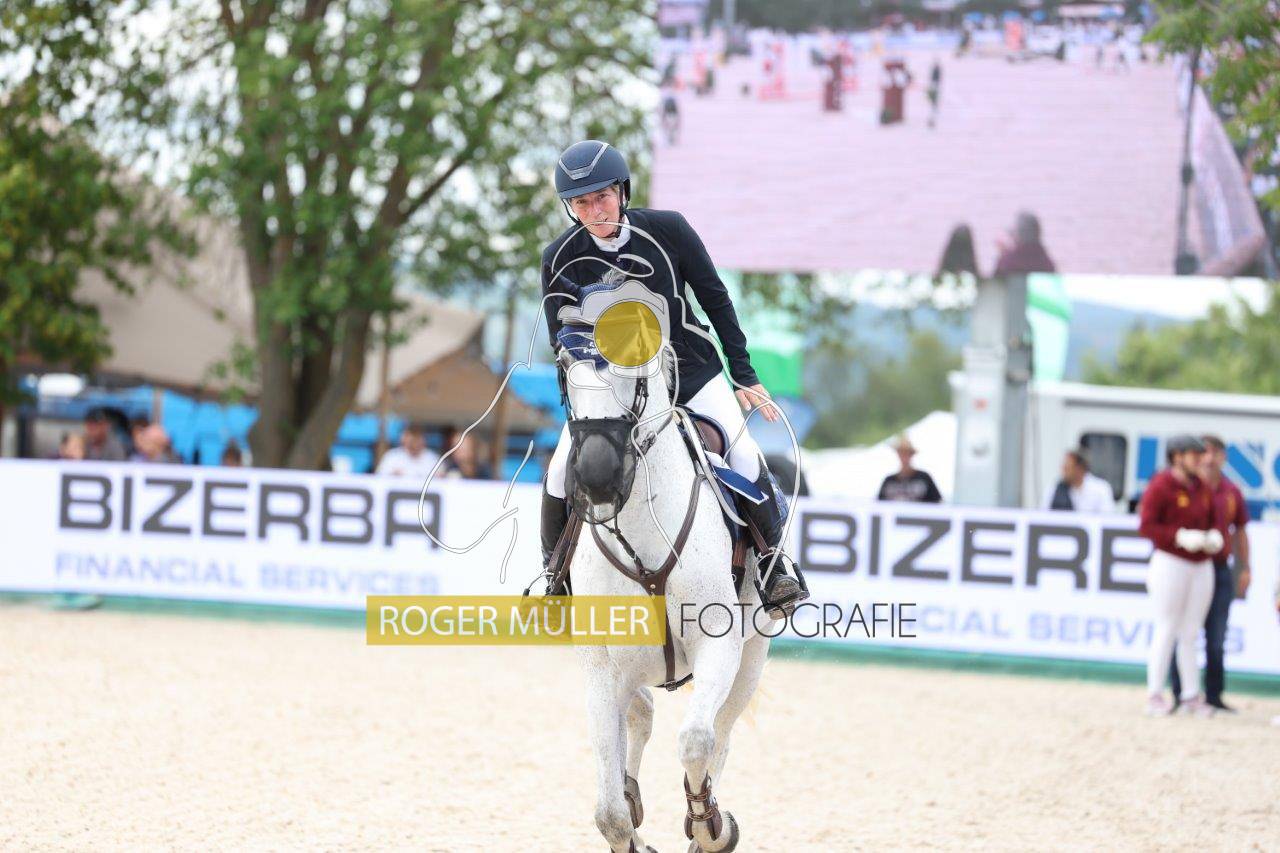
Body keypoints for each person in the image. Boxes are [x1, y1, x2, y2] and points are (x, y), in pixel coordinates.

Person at [539, 139, 808, 616]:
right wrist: (588, 394)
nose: (595, 211)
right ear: (570, 208)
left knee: (744, 452)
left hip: (692, 373)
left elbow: (715, 299)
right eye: (581, 203)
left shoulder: (669, 230)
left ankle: (773, 565)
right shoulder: (559, 256)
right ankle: (554, 577)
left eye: (602, 197)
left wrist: (744, 375)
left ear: (622, 192)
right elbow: (563, 338)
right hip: (610, 389)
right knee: (562, 467)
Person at [1138, 434, 1221, 717]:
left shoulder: (1202, 487)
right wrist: (1178, 536)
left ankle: (1190, 695)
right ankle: (1154, 694)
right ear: (1177, 457)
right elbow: (1147, 525)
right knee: (1167, 626)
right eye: (1194, 455)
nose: (1200, 460)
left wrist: (1214, 536)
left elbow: (1214, 519)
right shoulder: (1161, 485)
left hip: (1200, 563)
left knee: (1190, 631)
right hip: (1171, 561)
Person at [1170, 435, 1249, 711]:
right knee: (1183, 630)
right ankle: (1180, 692)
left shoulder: (1231, 492)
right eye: (1204, 452)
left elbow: (1240, 530)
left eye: (1215, 452)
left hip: (1218, 566)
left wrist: (1245, 567)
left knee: (1216, 636)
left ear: (1223, 457)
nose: (1208, 458)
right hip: (1188, 563)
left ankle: (1214, 694)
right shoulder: (1184, 488)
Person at [1043, 449, 1116, 513]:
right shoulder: (1054, 488)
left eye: (1067, 467)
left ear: (1079, 468)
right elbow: (1044, 514)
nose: (1063, 470)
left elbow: (1107, 517)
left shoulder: (1100, 489)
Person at [877, 435, 943, 503]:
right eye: (902, 453)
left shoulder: (924, 477)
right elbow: (879, 504)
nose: (904, 457)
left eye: (907, 453)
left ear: (911, 455)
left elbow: (937, 501)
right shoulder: (889, 480)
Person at [992, 211, 1056, 276]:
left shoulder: (1008, 262)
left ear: (1018, 235)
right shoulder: (1046, 262)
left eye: (1013, 234)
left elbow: (997, 279)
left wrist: (1004, 256)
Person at [376, 423, 441, 480]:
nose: (415, 443)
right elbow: (379, 478)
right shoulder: (391, 456)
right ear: (403, 439)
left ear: (423, 440)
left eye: (417, 437)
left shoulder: (433, 458)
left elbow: (441, 479)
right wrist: (392, 475)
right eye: (411, 439)